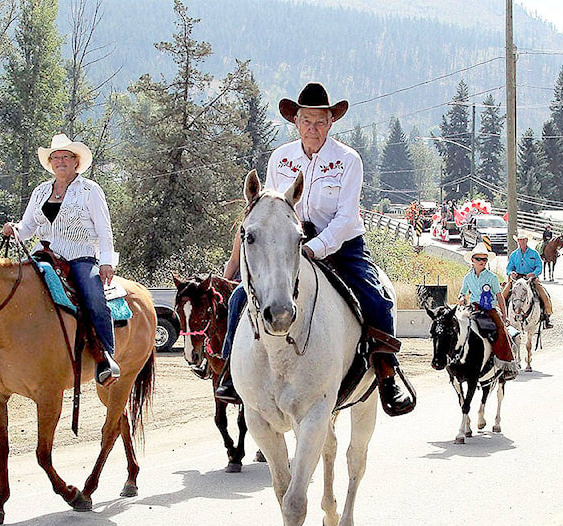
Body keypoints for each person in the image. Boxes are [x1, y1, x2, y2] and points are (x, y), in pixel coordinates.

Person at [216, 82, 416, 417]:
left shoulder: (348, 160)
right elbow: (266, 210)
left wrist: (315, 249)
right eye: (307, 120)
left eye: (320, 121)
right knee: (240, 296)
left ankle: (386, 373)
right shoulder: (280, 158)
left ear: (331, 122)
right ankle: (229, 374)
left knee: (377, 298)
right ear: (295, 121)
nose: (313, 128)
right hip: (286, 245)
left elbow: (347, 216)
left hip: (341, 245)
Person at [2, 133, 120, 386]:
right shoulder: (41, 191)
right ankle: (2, 348)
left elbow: (104, 229)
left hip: (79, 256)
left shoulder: (90, 190)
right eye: (56, 158)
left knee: (94, 297)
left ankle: (105, 357)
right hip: (42, 255)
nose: (60, 161)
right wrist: (14, 229)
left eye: (65, 157)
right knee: (11, 288)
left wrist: (107, 261)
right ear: (51, 163)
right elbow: (27, 227)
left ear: (76, 161)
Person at [459, 243, 519, 380]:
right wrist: (462, 298)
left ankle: (508, 363)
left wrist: (504, 315)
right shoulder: (467, 278)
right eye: (479, 259)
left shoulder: (492, 278)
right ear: (472, 260)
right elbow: (462, 293)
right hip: (473, 308)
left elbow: (499, 296)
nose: (482, 262)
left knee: (502, 331)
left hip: (489, 309)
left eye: (484, 260)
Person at [504, 235, 553, 328]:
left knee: (544, 294)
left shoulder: (534, 253)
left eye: (523, 240)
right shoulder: (514, 254)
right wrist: (511, 272)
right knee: (503, 295)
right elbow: (509, 267)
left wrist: (534, 273)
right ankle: (503, 316)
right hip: (517, 279)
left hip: (531, 279)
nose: (521, 242)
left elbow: (539, 266)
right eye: (519, 240)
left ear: (526, 240)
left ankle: (546, 316)